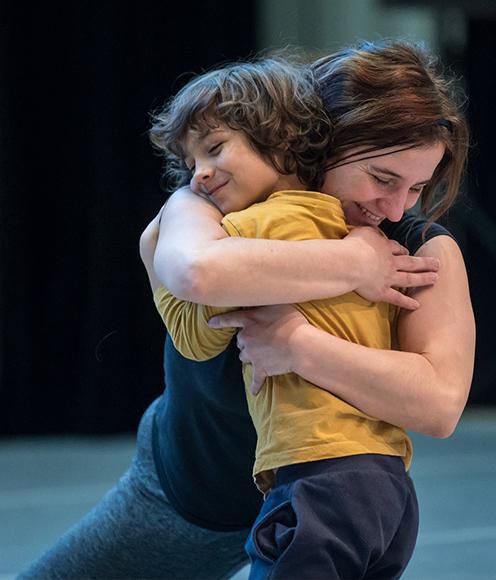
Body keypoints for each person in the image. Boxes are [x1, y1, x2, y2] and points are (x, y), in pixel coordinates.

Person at [19, 41, 475, 580]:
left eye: (417, 187)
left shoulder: (415, 248)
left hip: (323, 496)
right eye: (382, 178)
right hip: (189, 499)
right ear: (319, 140)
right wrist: (353, 263)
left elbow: (439, 404)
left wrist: (300, 345)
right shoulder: (206, 201)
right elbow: (198, 271)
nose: (396, 206)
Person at [149, 54, 441, 579]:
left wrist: (153, 254)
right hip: (388, 487)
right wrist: (353, 261)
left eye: (215, 149)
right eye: (191, 164)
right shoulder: (354, 230)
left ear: (281, 139)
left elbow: (196, 333)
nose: (199, 176)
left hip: (316, 481)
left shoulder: (247, 233)